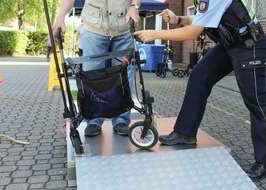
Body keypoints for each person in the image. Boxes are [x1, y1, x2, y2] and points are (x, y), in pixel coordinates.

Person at [135, 0, 266, 181]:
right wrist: (178, 18)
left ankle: (263, 162)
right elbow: (203, 19)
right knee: (199, 76)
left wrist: (155, 33)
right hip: (230, 44)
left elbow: (194, 32)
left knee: (257, 103)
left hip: (249, 45)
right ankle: (185, 132)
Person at [52, 0, 142, 137]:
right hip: (94, 27)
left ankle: (121, 120)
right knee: (92, 76)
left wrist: (134, 6)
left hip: (124, 25)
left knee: (123, 74)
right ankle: (94, 120)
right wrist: (60, 17)